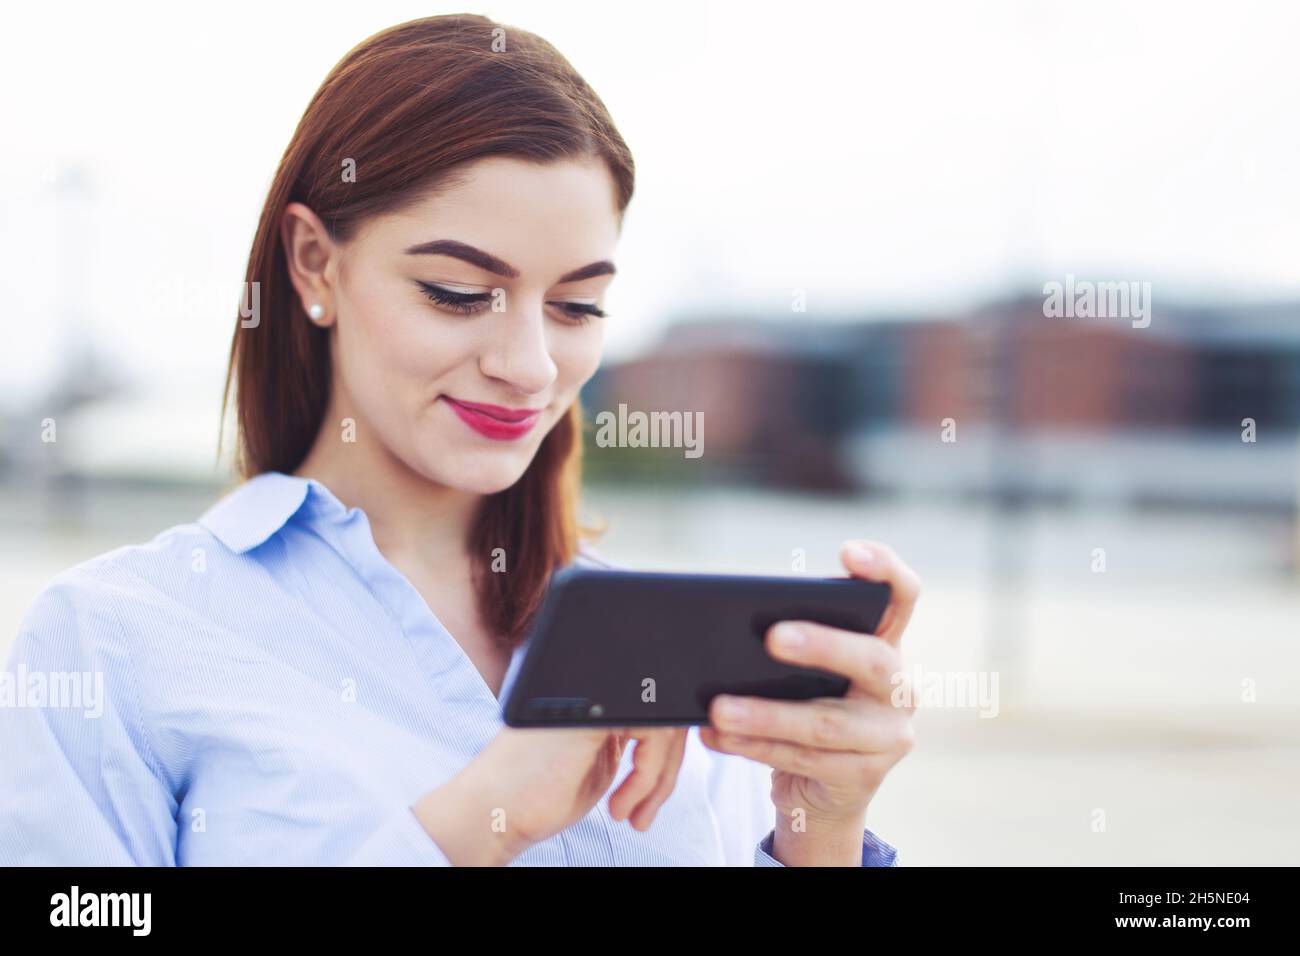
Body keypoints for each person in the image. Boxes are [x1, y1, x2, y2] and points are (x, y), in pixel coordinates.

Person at [0, 14, 919, 866]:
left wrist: (820, 829)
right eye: (456, 292)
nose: (527, 365)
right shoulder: (113, 640)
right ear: (315, 261)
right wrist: (475, 824)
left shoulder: (657, 644)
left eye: (576, 306)